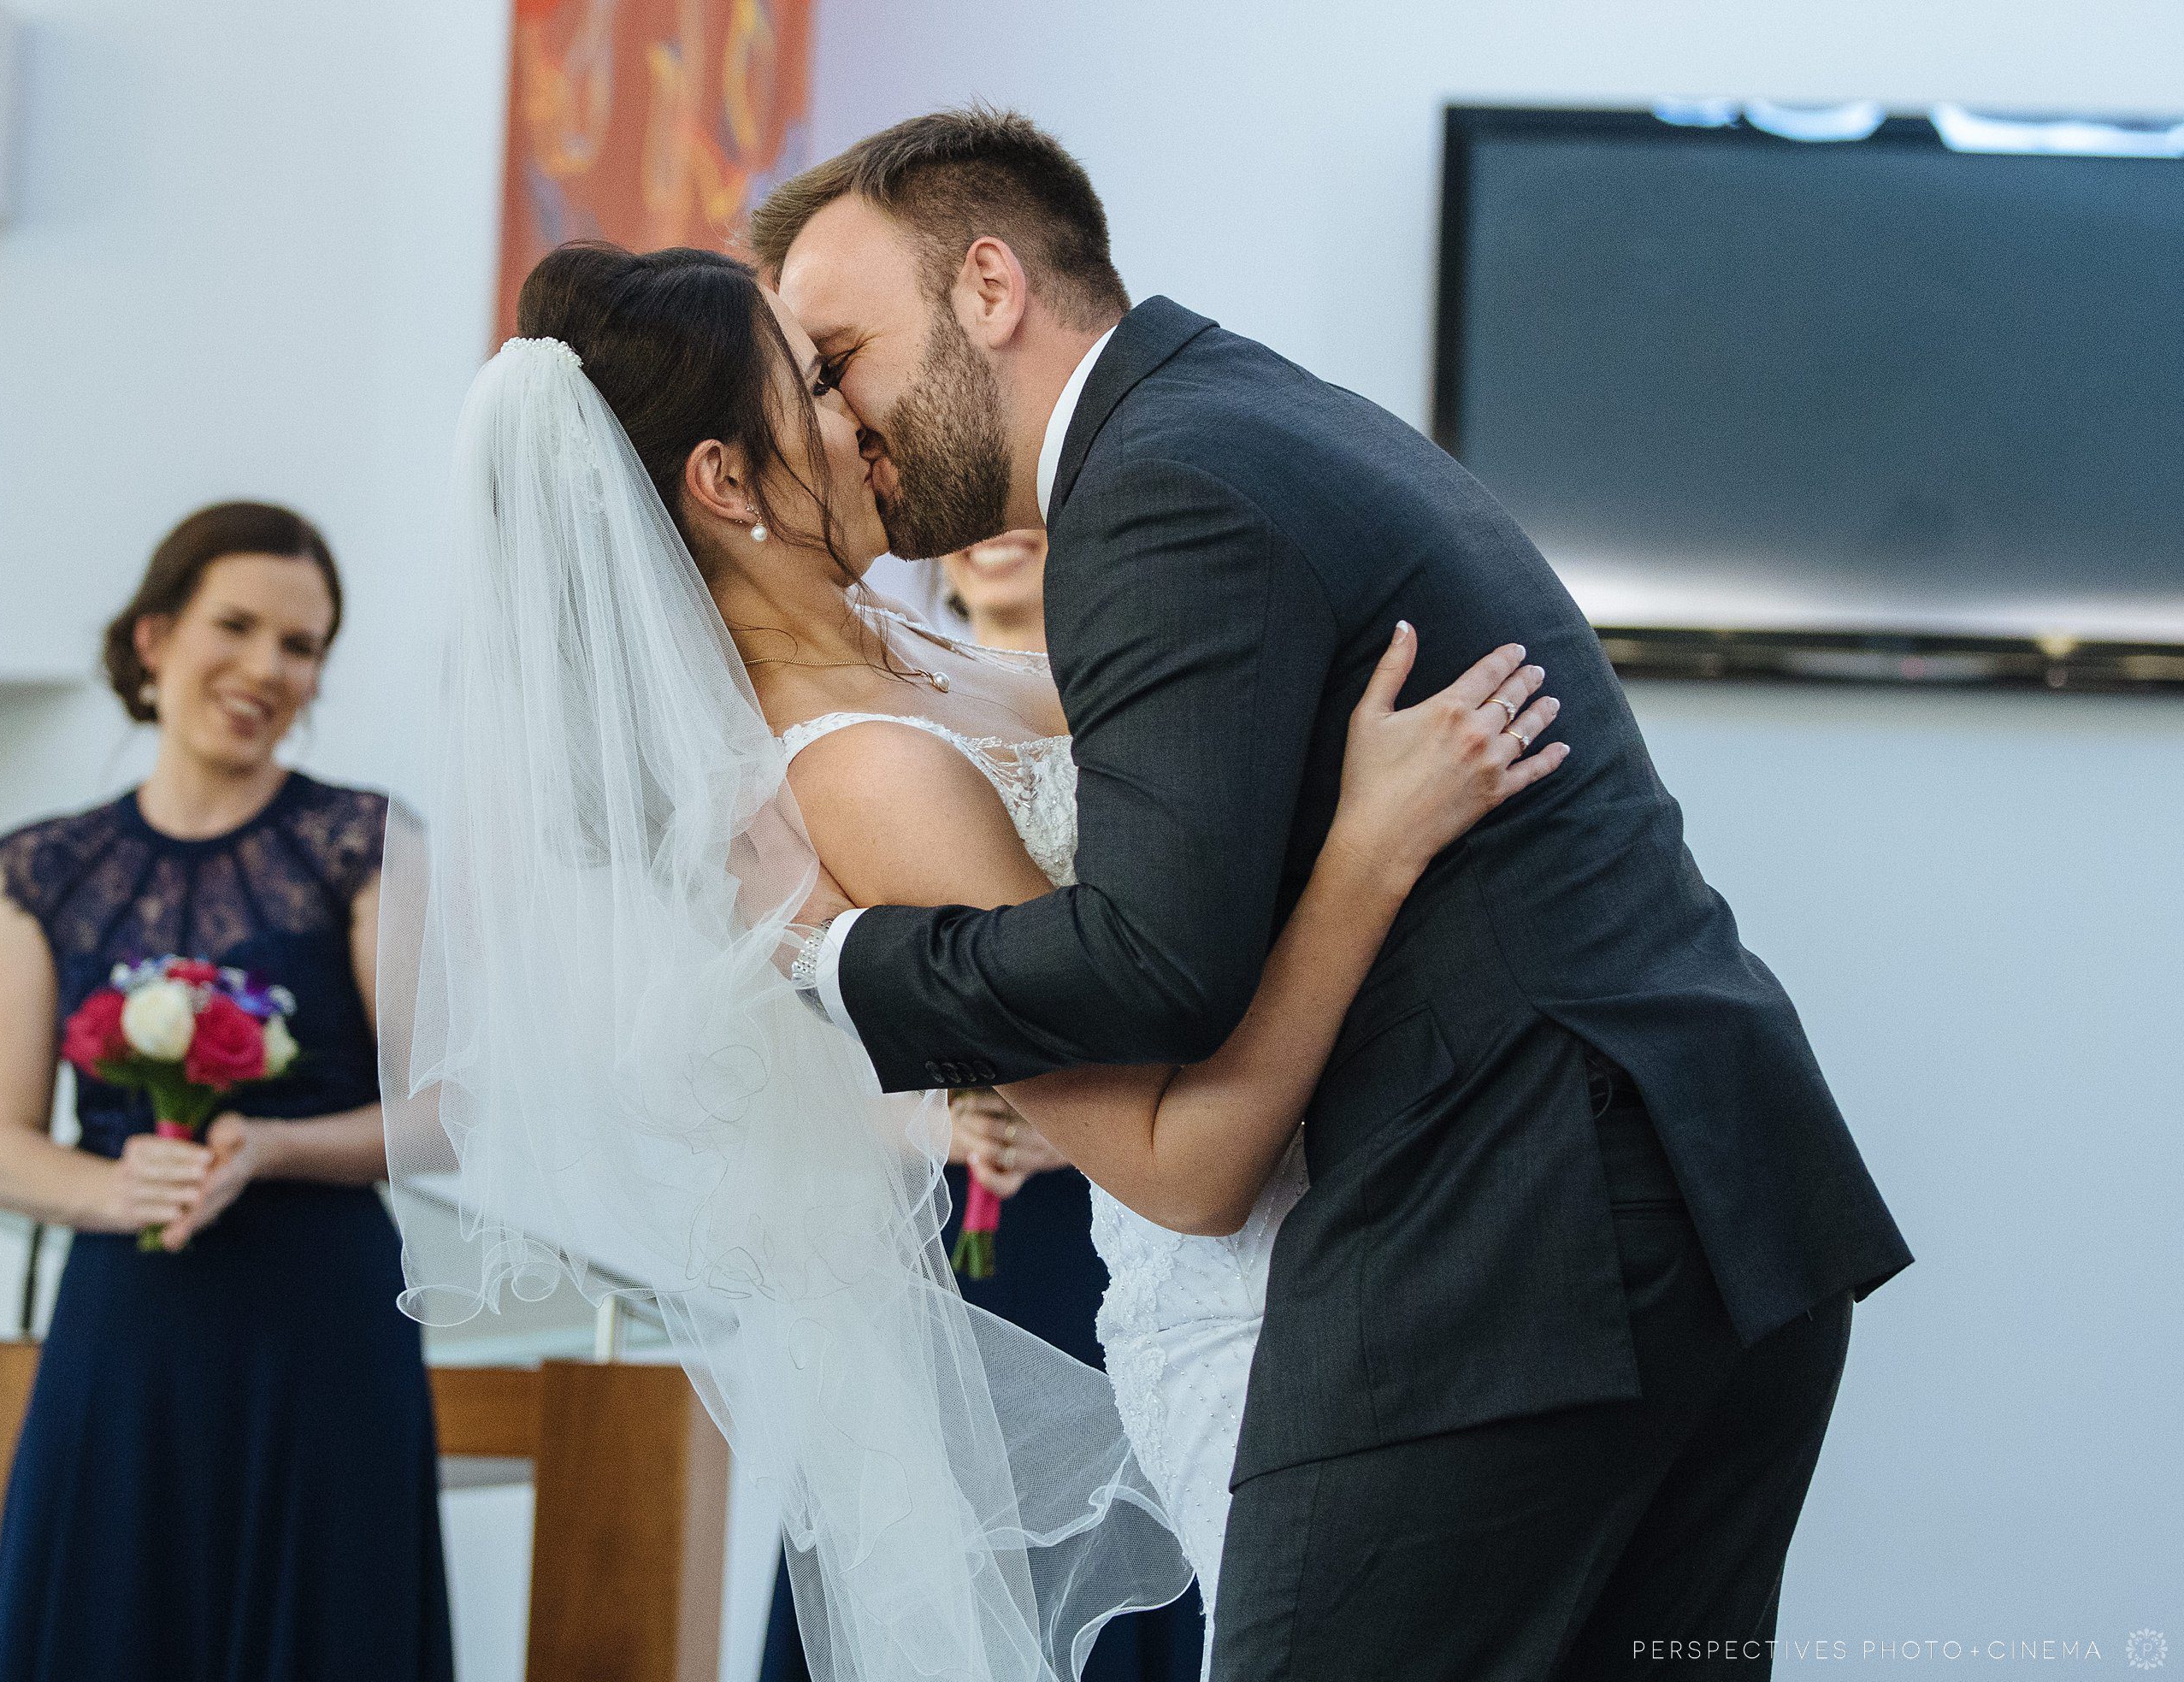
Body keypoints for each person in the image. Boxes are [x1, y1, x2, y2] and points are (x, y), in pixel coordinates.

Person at [753, 108, 1914, 1679]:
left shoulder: (1158, 488)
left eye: (838, 354)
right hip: (1697, 1214)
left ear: (985, 285)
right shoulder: (1252, 415)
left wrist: (841, 962)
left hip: (1513, 1255)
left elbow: (1155, 966)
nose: (834, 415)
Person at [380, 242, 1562, 1679]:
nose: (861, 405)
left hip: (1381, 1253)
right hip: (1250, 1315)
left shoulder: (909, 658)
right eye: (812, 381)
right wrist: (1371, 846)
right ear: (727, 481)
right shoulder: (862, 770)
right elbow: (1179, 1169)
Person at [0, 503, 451, 1682]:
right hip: (124, 1340)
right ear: (154, 638)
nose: (267, 669)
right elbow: (0, 1146)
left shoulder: (363, 843)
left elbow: (447, 1115)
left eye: (301, 646)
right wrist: (118, 1182)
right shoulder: (47, 868)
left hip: (320, 1333)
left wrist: (269, 1151)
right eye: (235, 627)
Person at [761, 513, 1210, 1680]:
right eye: (968, 525)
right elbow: (784, 1027)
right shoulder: (861, 718)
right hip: (932, 1211)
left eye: (1025, 515)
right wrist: (940, 1112)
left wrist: (1075, 1114)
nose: (994, 536)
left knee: (1115, 1501)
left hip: (1112, 1198)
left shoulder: (1132, 702)